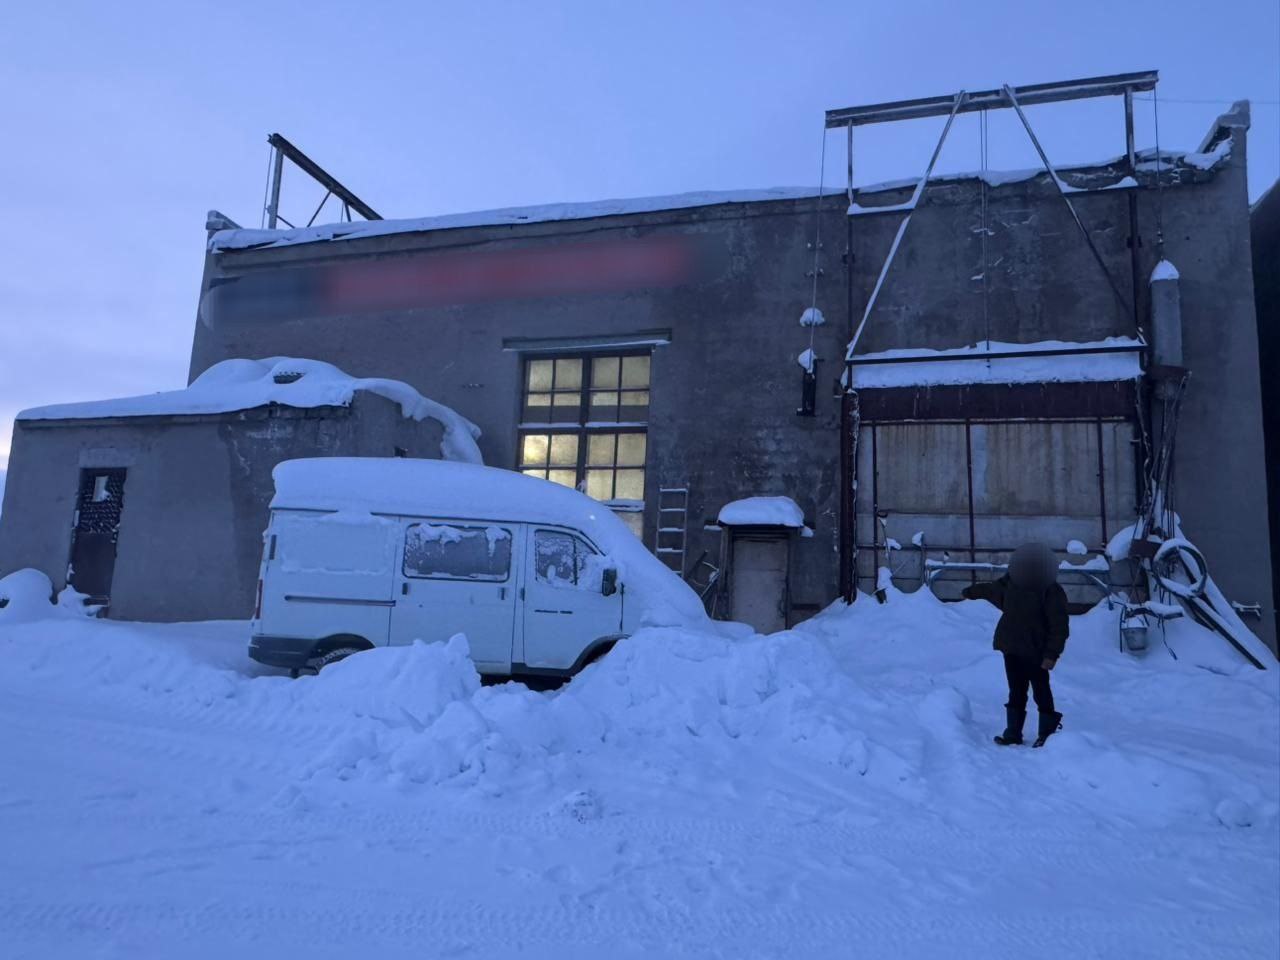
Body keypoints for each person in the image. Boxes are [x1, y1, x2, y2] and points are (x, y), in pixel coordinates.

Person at [962, 543, 1068, 748]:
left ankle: (1047, 734)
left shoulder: (1051, 591)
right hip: (1011, 647)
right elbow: (991, 590)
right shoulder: (1011, 582)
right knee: (1016, 691)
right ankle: (1013, 733)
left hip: (1037, 651)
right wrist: (970, 592)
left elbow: (1059, 626)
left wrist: (1051, 655)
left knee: (1041, 692)